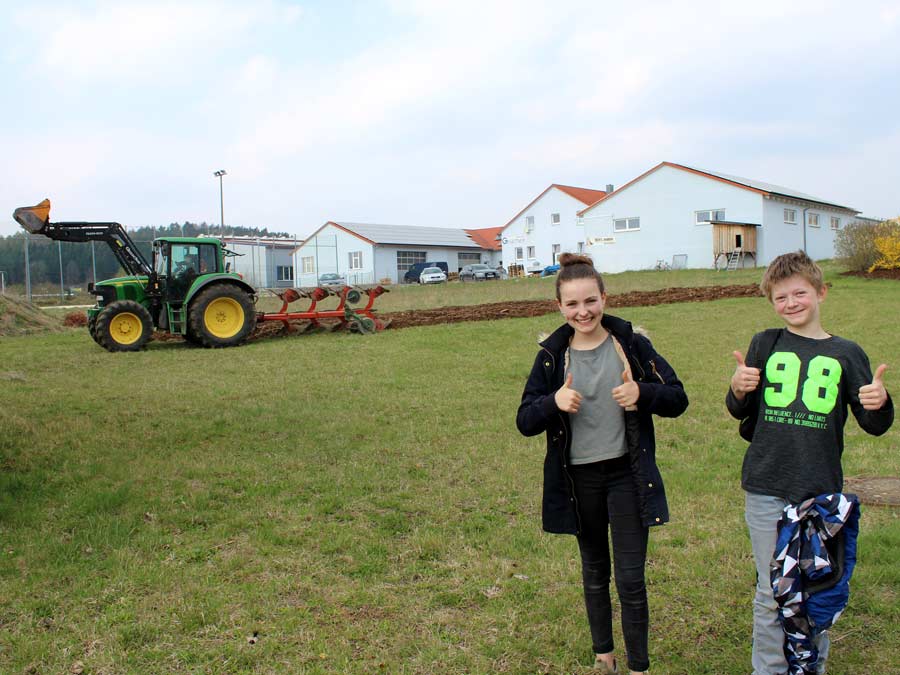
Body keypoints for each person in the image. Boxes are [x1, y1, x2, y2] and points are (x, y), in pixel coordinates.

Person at [516, 253, 688, 675]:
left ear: (604, 298)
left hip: (627, 477)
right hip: (579, 481)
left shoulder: (631, 343)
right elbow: (524, 420)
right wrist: (552, 403)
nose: (583, 311)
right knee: (595, 573)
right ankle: (604, 659)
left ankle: (639, 668)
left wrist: (642, 394)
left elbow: (678, 398)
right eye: (572, 304)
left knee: (631, 580)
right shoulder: (551, 357)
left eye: (590, 301)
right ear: (559, 307)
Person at [726, 250, 893, 675]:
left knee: (815, 586)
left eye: (799, 293)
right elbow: (740, 412)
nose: (791, 303)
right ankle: (769, 669)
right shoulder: (765, 343)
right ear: (771, 302)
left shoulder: (846, 353)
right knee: (771, 590)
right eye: (781, 298)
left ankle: (810, 665)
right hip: (766, 484)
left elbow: (874, 424)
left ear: (821, 292)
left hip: (819, 492)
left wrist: (881, 401)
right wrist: (739, 388)